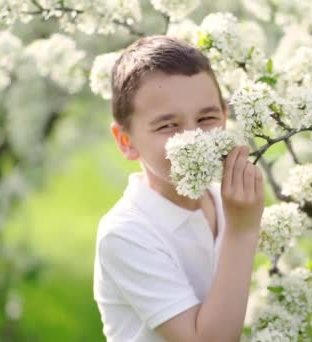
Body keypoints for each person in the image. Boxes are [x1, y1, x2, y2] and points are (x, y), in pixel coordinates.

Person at [93, 35, 265, 342]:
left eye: (207, 118)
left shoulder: (224, 200)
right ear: (126, 141)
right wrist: (241, 232)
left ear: (225, 116)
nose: (193, 138)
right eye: (168, 125)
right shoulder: (126, 233)